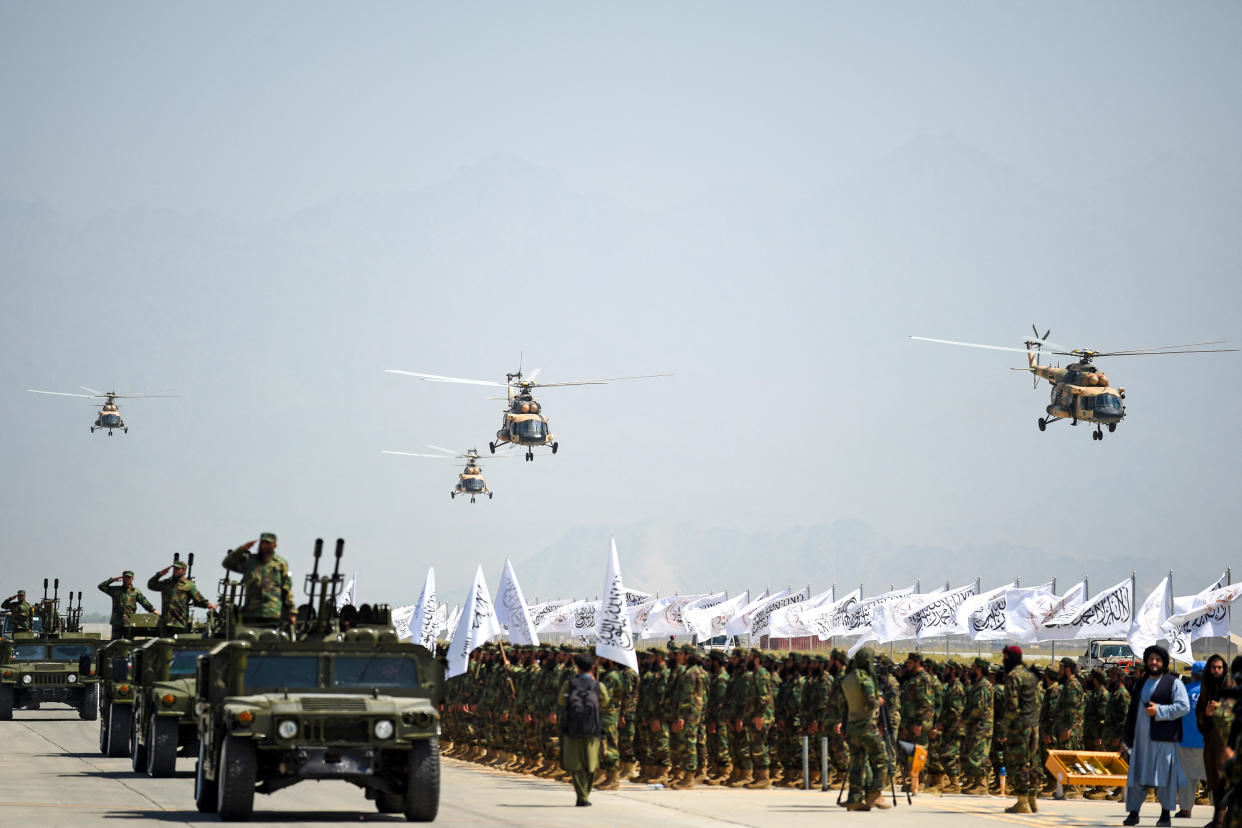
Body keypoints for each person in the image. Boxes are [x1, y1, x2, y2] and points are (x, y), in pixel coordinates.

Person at [1122, 645, 1190, 827]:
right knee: (1137, 779)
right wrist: (1126, 736)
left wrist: (1160, 711)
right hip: (1141, 742)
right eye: (1151, 659)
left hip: (1164, 742)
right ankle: (1134, 813)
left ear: (1164, 663)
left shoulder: (1173, 683)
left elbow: (1184, 706)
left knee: (1164, 779)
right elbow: (1133, 712)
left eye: (1158, 660)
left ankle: (1165, 814)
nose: (1154, 662)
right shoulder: (1140, 683)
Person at [834, 646, 890, 811]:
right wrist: (879, 701)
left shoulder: (847, 678)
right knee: (882, 759)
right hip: (866, 725)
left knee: (857, 762)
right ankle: (875, 793)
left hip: (852, 726)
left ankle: (854, 799)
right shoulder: (864, 678)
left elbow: (844, 704)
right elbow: (870, 702)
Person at [557, 652, 609, 806]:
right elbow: (605, 702)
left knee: (576, 765)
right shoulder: (598, 685)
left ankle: (582, 796)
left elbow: (561, 701)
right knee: (591, 764)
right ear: (593, 667)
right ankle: (586, 793)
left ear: (577, 667)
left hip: (572, 728)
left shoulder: (570, 683)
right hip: (592, 728)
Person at [222, 532, 296, 627]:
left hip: (273, 614)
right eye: (262, 543)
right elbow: (227, 563)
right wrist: (242, 549)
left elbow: (287, 588)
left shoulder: (281, 564)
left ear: (274, 545)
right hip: (251, 614)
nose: (263, 545)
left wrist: (292, 612)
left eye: (267, 543)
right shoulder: (250, 562)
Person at [1000, 645, 1041, 814]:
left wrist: (1004, 729)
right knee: (1032, 762)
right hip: (1033, 725)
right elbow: (1037, 702)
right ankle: (1032, 800)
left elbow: (1012, 705)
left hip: (1020, 726)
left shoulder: (1013, 676)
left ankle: (1022, 802)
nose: (1004, 661)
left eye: (1005, 657)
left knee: (1020, 763)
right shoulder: (1031, 676)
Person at [147, 560, 217, 634]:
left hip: (180, 624)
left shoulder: (189, 585)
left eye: (177, 569)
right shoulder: (166, 583)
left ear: (184, 571)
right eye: (174, 569)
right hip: (165, 624)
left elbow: (199, 600)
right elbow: (151, 585)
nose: (175, 571)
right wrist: (160, 574)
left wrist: (209, 605)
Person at [1177, 661, 1207, 818]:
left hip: (1187, 742)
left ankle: (1186, 809)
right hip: (1209, 744)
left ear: (1193, 674)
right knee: (1214, 779)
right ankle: (1221, 812)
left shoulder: (1184, 692)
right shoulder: (1216, 694)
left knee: (1187, 778)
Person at [97, 571, 157, 639]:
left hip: (129, 622)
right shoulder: (116, 590)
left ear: (132, 579)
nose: (127, 579)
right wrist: (112, 580)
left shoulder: (135, 591)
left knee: (129, 643)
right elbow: (101, 586)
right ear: (122, 578)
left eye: (129, 577)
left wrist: (153, 610)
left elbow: (144, 602)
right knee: (115, 643)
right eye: (125, 577)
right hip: (117, 622)